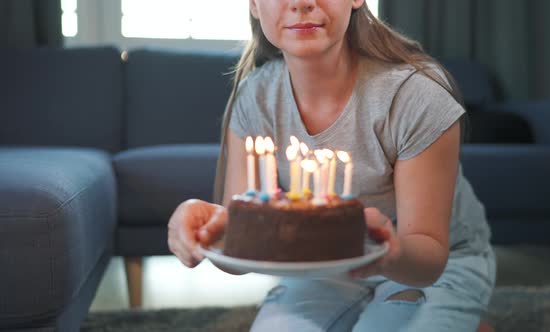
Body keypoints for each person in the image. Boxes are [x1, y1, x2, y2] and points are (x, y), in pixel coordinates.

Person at [167, 1, 496, 331]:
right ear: (254, 4)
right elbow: (241, 250)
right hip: (325, 259)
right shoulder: (256, 98)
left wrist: (385, 250)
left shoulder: (415, 96)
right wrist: (207, 231)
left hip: (435, 261)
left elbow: (429, 257)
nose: (301, 3)